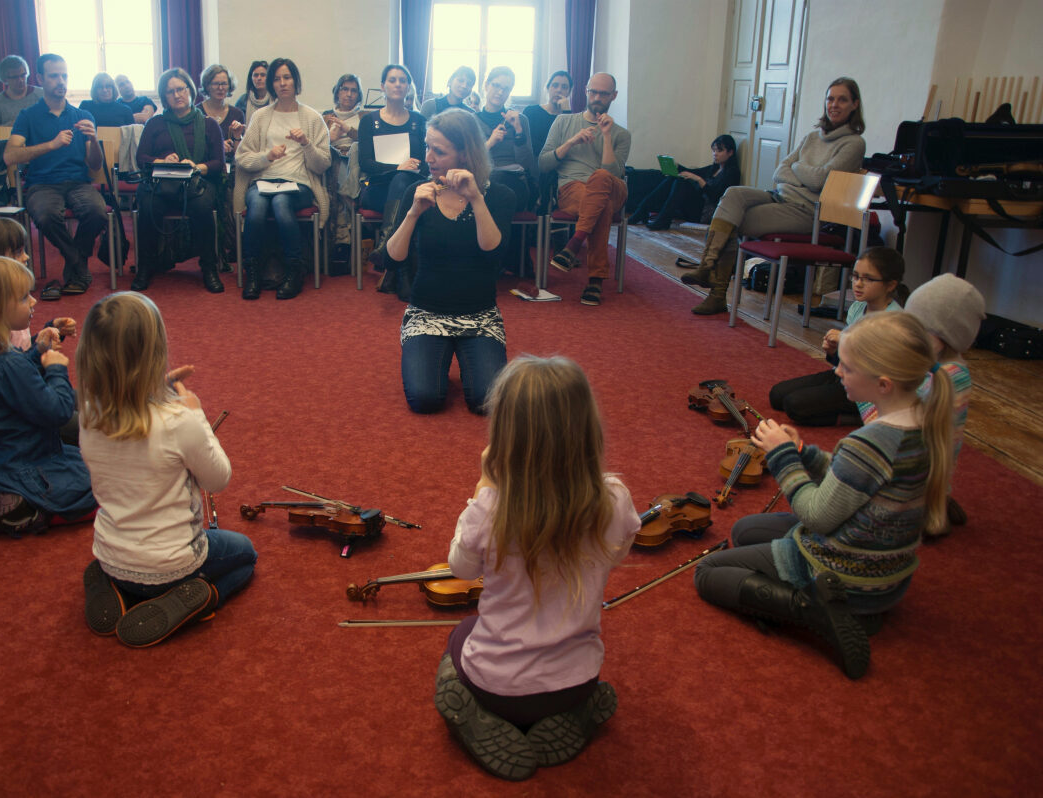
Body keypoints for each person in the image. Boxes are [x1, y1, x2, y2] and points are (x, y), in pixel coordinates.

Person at [693, 311, 955, 680]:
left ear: (882, 384)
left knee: (706, 573)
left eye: (846, 367)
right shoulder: (922, 422)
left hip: (843, 572)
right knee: (746, 530)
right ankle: (855, 609)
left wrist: (782, 457)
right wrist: (804, 453)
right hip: (885, 578)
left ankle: (811, 608)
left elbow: (816, 515)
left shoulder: (871, 441)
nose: (836, 372)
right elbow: (854, 481)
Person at [434, 355, 642, 780]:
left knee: (458, 636)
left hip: (497, 689)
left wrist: (483, 486)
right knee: (558, 673)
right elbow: (617, 554)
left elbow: (459, 568)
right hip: (576, 681)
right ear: (586, 428)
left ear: (505, 433)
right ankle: (577, 713)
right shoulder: (615, 498)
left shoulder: (492, 508)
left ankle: (475, 716)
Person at [76, 291, 258, 648]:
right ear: (154, 352)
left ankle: (116, 587)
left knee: (126, 561)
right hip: (174, 564)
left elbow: (132, 416)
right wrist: (195, 412)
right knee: (245, 555)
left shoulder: (88, 413)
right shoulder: (180, 421)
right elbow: (218, 479)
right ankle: (195, 599)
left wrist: (158, 391)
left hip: (112, 555)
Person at [682, 78, 866, 315]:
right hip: (780, 197)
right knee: (733, 194)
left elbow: (821, 180)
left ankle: (716, 291)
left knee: (733, 220)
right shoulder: (812, 137)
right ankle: (706, 268)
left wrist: (798, 168)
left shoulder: (854, 143)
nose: (834, 104)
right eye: (830, 98)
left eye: (842, 99)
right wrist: (804, 174)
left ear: (855, 104)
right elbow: (780, 170)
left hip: (808, 211)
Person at [0, 255, 96, 538]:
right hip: (26, 465)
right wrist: (55, 370)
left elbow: (17, 385)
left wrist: (38, 349)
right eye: (23, 297)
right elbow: (58, 411)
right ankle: (28, 510)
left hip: (1, 463)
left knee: (89, 460)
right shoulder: (6, 362)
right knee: (106, 487)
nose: (33, 302)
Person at [384, 109, 515, 414]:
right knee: (425, 399)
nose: (428, 157)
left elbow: (493, 254)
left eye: (438, 151)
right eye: (427, 146)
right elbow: (391, 259)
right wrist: (413, 213)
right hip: (426, 313)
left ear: (466, 154)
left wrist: (476, 199)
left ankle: (465, 355)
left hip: (480, 316)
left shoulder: (500, 196)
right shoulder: (418, 192)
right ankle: (435, 354)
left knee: (486, 402)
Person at [868, 273, 986, 538]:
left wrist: (867, 389)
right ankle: (936, 502)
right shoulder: (947, 370)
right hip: (925, 475)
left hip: (911, 478)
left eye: (918, 330)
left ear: (943, 337)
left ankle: (924, 508)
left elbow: (882, 429)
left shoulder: (944, 377)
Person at [0, 216, 78, 451]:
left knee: (83, 400)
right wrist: (55, 369)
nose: (26, 257)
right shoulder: (0, 345)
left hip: (18, 388)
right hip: (14, 405)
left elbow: (20, 358)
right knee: (90, 423)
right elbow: (56, 411)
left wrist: (44, 338)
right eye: (18, 251)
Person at [5, 53, 107, 299]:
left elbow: (94, 165)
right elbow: (10, 156)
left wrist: (93, 139)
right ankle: (77, 262)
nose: (61, 81)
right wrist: (50, 145)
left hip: (78, 182)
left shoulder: (82, 115)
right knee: (46, 215)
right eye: (54, 76)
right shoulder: (27, 116)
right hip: (42, 184)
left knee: (98, 212)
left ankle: (76, 262)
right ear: (40, 79)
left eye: (64, 76)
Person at [769, 246, 907, 426]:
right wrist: (834, 351)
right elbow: (843, 361)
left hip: (869, 389)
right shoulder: (858, 307)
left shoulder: (894, 320)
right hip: (847, 375)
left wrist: (848, 342)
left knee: (794, 405)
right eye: (856, 276)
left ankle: (858, 417)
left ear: (890, 285)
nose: (857, 283)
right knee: (777, 395)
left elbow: (879, 371)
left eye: (868, 279)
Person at [234, 57, 330, 300]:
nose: (282, 83)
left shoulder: (311, 118)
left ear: (296, 82)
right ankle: (253, 272)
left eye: (287, 77)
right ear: (270, 84)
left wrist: (306, 143)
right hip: (265, 180)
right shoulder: (261, 117)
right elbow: (242, 157)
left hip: (298, 183)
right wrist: (267, 156)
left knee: (280, 203)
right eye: (276, 79)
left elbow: (322, 164)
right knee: (256, 206)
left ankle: (293, 271)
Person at [539, 72, 631, 307]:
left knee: (601, 177)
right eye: (594, 91)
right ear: (585, 91)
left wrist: (607, 136)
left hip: (612, 187)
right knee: (601, 207)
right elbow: (544, 163)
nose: (598, 97)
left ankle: (574, 243)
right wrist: (570, 143)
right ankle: (595, 280)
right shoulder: (563, 122)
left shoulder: (621, 134)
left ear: (614, 96)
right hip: (573, 188)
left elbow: (614, 173)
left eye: (604, 93)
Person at [132, 67, 226, 294]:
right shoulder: (155, 124)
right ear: (164, 97)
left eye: (180, 89)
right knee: (147, 205)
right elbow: (141, 158)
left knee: (203, 206)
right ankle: (146, 266)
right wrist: (161, 160)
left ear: (190, 91)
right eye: (170, 91)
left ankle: (209, 267)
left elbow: (218, 163)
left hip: (197, 183)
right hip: (163, 183)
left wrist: (196, 167)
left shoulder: (209, 124)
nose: (177, 95)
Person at [357, 64, 428, 294]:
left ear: (408, 87)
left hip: (409, 189)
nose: (398, 84)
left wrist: (409, 168)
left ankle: (391, 257)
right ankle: (401, 267)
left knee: (403, 184)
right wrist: (398, 167)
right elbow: (365, 163)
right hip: (376, 190)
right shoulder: (369, 121)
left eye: (402, 80)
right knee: (400, 182)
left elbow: (427, 162)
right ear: (382, 86)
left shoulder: (418, 120)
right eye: (392, 80)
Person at [628, 134, 741, 230]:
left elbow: (715, 197)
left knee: (681, 183)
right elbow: (692, 171)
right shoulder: (714, 168)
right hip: (696, 207)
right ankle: (643, 210)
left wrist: (699, 180)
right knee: (674, 178)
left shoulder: (732, 173)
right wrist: (676, 167)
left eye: (719, 150)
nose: (715, 154)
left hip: (706, 213)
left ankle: (660, 218)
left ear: (730, 152)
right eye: (714, 150)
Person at [198, 64, 247, 266]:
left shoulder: (237, 113)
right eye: (216, 83)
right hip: (206, 167)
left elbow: (241, 152)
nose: (220, 88)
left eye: (224, 84)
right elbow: (195, 150)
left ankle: (231, 245)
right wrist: (217, 147)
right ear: (207, 86)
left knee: (233, 188)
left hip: (231, 166)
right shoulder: (197, 112)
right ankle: (212, 248)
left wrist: (234, 141)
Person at [474, 66, 538, 214]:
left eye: (506, 88)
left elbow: (526, 163)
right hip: (481, 181)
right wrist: (490, 143)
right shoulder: (472, 120)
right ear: (486, 85)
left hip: (514, 182)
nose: (500, 92)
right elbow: (465, 159)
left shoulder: (520, 120)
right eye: (496, 85)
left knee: (496, 182)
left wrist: (518, 131)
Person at [322, 73, 365, 260]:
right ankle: (346, 237)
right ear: (337, 92)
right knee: (338, 164)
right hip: (333, 161)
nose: (349, 94)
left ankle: (343, 241)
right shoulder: (325, 118)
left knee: (353, 153)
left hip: (357, 162)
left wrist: (349, 131)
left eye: (353, 91)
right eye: (344, 89)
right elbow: (315, 145)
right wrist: (331, 138)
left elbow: (369, 140)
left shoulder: (364, 117)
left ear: (359, 95)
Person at [0, 55, 44, 139]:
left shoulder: (42, 94)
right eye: (15, 77)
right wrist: (9, 126)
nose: (21, 80)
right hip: (11, 147)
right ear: (5, 79)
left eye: (23, 75)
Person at [521, 70, 571, 158]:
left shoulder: (570, 117)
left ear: (569, 92)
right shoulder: (531, 111)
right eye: (555, 85)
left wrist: (566, 112)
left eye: (564, 87)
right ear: (548, 88)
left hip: (560, 163)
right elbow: (526, 145)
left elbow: (569, 145)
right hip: (534, 161)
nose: (559, 90)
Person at [233, 60, 273, 124]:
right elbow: (235, 124)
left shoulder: (276, 100)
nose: (259, 78)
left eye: (263, 75)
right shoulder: (243, 101)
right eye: (255, 75)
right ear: (251, 78)